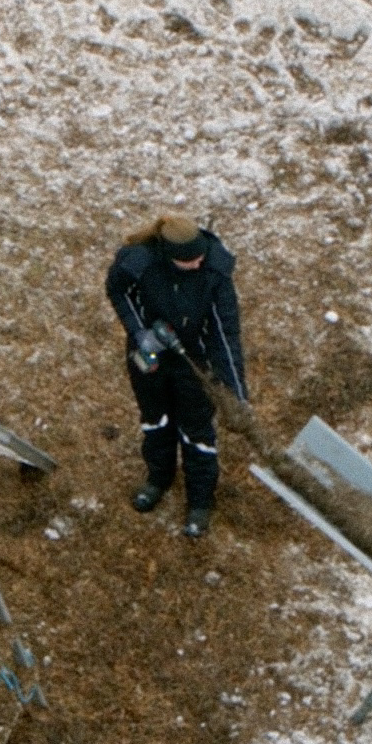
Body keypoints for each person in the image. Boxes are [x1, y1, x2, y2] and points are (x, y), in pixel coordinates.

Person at [105, 210, 247, 540]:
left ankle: (200, 502)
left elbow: (226, 335)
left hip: (194, 364)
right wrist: (140, 332)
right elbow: (117, 290)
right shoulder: (139, 260)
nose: (197, 264)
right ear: (169, 257)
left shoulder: (214, 272)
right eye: (189, 261)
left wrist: (235, 391)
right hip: (150, 355)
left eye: (200, 258)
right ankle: (158, 478)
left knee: (197, 432)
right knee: (155, 420)